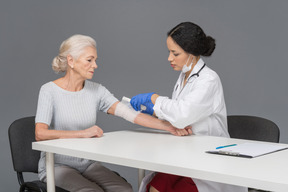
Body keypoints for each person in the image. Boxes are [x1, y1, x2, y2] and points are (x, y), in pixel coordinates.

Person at [35, 34, 192, 192]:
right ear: (71, 61)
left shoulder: (96, 90)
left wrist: (169, 126)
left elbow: (130, 114)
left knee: (124, 189)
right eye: (89, 60)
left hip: (88, 164)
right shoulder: (49, 91)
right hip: (57, 165)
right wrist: (82, 133)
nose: (95, 65)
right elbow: (40, 133)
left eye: (95, 60)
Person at [130, 22, 248, 192]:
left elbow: (181, 114)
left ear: (192, 53)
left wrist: (154, 99)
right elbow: (180, 114)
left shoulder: (208, 80)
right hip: (186, 154)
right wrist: (155, 112)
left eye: (175, 53)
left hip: (207, 159)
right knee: (154, 186)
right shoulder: (183, 77)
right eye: (169, 52)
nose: (169, 58)